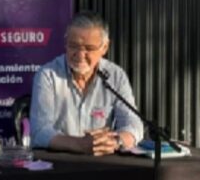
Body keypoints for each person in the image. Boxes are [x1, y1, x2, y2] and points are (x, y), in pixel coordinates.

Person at [30, 11, 144, 155]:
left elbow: (134, 124)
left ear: (104, 48)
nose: (80, 55)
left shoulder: (115, 76)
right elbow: (40, 132)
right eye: (73, 46)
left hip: (102, 163)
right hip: (59, 164)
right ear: (65, 43)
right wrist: (80, 145)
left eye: (89, 49)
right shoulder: (48, 75)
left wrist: (115, 141)